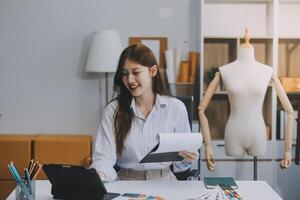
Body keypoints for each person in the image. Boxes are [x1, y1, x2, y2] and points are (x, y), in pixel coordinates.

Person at [91, 44, 199, 182]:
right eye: (125, 74)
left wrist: (186, 158)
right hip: (126, 183)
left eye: (136, 72)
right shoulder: (113, 110)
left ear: (153, 71)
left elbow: (182, 167)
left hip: (166, 183)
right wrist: (99, 175)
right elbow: (103, 159)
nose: (130, 80)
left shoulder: (176, 108)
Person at [198, 30, 294, 171]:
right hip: (233, 134)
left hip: (258, 134)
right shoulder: (225, 70)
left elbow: (290, 111)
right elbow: (201, 109)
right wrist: (207, 145)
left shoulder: (267, 71)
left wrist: (287, 151)